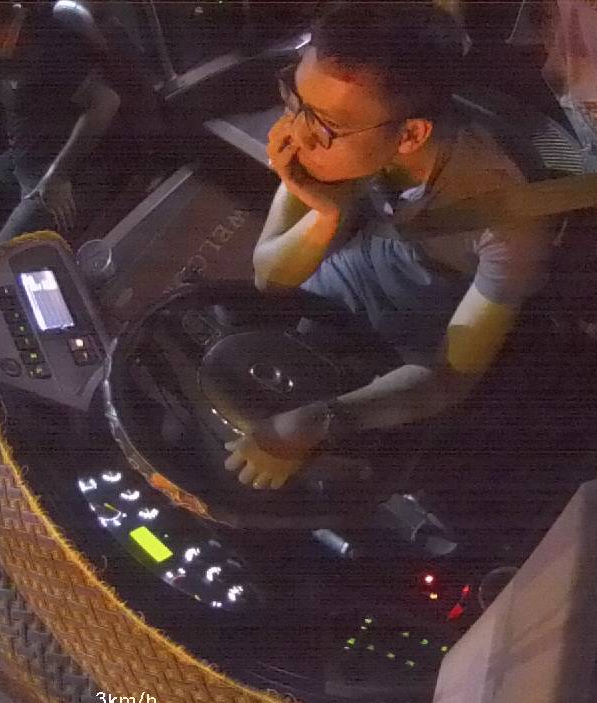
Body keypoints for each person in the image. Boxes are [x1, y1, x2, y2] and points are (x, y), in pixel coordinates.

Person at [224, 3, 558, 490]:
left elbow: (450, 375)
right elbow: (269, 278)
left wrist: (317, 422)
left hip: (419, 334)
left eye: (324, 124)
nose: (296, 132)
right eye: (295, 98)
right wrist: (323, 215)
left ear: (410, 135)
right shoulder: (328, 137)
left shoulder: (507, 217)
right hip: (348, 279)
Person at [0, 0, 127, 248]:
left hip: (62, 166)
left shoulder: (45, 43)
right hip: (23, 159)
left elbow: (106, 101)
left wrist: (58, 176)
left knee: (1, 260)